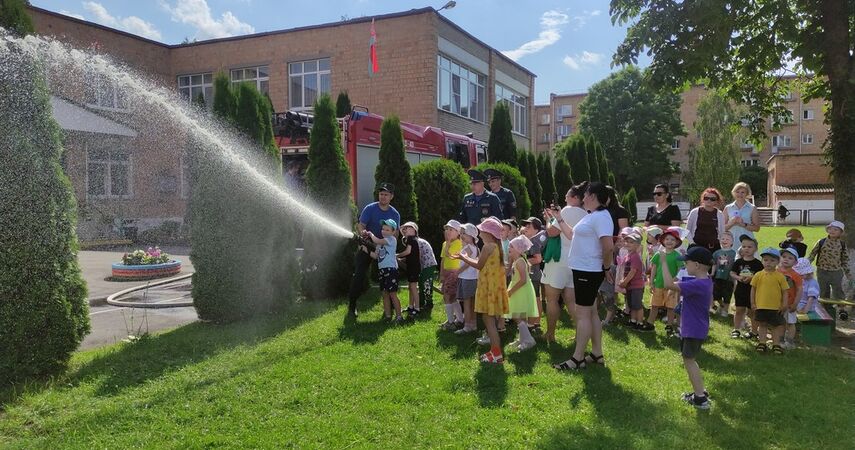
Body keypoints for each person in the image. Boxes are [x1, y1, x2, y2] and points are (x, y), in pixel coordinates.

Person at [553, 182, 614, 371]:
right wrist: (559, 218)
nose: (583, 198)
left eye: (586, 195)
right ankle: (596, 353)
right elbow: (571, 235)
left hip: (589, 271)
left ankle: (577, 358)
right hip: (585, 270)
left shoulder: (601, 217)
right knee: (592, 312)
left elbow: (608, 246)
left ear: (593, 196)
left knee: (582, 315)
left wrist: (606, 268)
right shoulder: (592, 216)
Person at [660, 245, 714, 410]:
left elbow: (669, 284)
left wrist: (663, 262)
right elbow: (678, 282)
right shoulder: (703, 281)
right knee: (691, 360)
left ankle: (699, 398)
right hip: (696, 328)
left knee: (689, 361)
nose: (685, 266)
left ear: (697, 265)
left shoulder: (697, 285)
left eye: (687, 263)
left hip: (693, 329)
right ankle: (700, 391)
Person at [451, 217, 509, 364]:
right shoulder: (496, 246)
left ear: (488, 233)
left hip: (488, 287)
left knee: (489, 322)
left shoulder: (487, 247)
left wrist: (463, 257)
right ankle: (494, 351)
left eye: (482, 230)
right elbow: (483, 263)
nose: (480, 232)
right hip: (493, 287)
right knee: (489, 321)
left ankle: (497, 354)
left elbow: (479, 265)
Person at [541, 185, 588, 342]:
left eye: (567, 196)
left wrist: (548, 220)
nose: (565, 199)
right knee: (571, 300)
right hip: (575, 260)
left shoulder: (567, 210)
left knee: (552, 299)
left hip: (558, 259)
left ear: (575, 198)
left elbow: (552, 231)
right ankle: (580, 334)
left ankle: (550, 334)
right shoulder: (585, 213)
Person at [348, 182, 401, 317]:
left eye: (386, 195)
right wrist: (363, 234)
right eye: (381, 194)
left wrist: (389, 248)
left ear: (391, 197)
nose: (383, 197)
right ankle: (352, 306)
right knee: (359, 275)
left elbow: (395, 235)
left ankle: (390, 310)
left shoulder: (395, 214)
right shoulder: (370, 208)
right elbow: (360, 225)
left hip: (385, 248)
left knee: (388, 279)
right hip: (368, 244)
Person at [641, 228, 684, 335]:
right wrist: (651, 282)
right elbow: (654, 269)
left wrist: (673, 282)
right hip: (658, 284)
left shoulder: (677, 256)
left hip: (671, 287)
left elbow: (679, 271)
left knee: (670, 307)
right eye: (667, 239)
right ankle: (650, 323)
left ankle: (669, 325)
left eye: (672, 240)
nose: (669, 241)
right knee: (654, 305)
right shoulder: (658, 254)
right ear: (663, 241)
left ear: (677, 242)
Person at [362, 219, 404, 324]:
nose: (384, 231)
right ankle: (388, 316)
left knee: (392, 294)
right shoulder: (380, 244)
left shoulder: (391, 240)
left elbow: (377, 240)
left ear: (393, 232)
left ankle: (399, 317)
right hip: (382, 271)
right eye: (383, 229)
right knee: (385, 294)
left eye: (387, 230)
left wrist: (370, 234)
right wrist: (365, 249)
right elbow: (376, 256)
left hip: (391, 270)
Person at [750, 248, 790, 354]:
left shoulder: (780, 276)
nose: (768, 263)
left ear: (777, 262)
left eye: (772, 260)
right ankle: (762, 343)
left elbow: (785, 291)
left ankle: (776, 344)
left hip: (775, 307)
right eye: (766, 260)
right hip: (761, 305)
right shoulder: (758, 275)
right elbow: (753, 289)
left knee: (775, 326)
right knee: (762, 325)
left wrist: (784, 304)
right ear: (762, 261)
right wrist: (753, 303)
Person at [808, 221, 851, 316]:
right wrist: (807, 265)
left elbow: (845, 259)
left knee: (838, 290)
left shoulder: (842, 244)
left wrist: (848, 274)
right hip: (822, 270)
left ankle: (841, 309)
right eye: (830, 229)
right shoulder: (821, 242)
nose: (832, 231)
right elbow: (812, 254)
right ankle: (825, 309)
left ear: (840, 233)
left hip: (836, 272)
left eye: (836, 230)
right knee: (823, 291)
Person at [504, 235, 539, 352]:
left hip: (520, 290)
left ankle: (528, 340)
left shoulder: (519, 261)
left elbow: (523, 279)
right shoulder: (518, 260)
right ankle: (523, 338)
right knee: (521, 317)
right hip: (521, 289)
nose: (509, 247)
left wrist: (511, 290)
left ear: (518, 249)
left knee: (516, 316)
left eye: (511, 246)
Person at [730, 235, 763, 339]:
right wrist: (738, 277)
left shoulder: (758, 263)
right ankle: (736, 329)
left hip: (752, 292)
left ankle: (754, 331)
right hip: (740, 290)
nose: (746, 249)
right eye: (744, 247)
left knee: (752, 312)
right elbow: (732, 272)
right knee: (739, 310)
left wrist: (751, 278)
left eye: (749, 247)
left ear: (755, 249)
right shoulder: (738, 262)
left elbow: (761, 275)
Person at [519, 217, 546, 332]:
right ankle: (531, 322)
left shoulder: (534, 242)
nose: (525, 228)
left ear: (536, 230)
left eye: (529, 226)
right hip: (529, 273)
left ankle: (536, 322)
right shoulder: (526, 241)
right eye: (525, 226)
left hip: (533, 274)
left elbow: (538, 259)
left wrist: (523, 263)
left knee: (536, 298)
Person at [454, 224, 480, 334]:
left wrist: (458, 271)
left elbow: (467, 263)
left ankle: (468, 325)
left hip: (467, 278)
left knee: (467, 302)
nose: (462, 235)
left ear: (471, 236)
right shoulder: (472, 247)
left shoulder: (469, 248)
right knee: (470, 302)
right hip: (470, 277)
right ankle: (472, 323)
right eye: (461, 233)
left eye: (464, 233)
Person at [439, 220, 464, 330]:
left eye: (451, 230)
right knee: (450, 297)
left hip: (454, 273)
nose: (448, 232)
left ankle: (451, 322)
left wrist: (448, 242)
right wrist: (441, 273)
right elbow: (443, 259)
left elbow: (449, 254)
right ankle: (458, 319)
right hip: (446, 272)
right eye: (447, 229)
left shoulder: (459, 243)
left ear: (458, 232)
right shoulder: (445, 244)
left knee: (448, 296)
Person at [619, 232, 646, 329]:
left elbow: (633, 271)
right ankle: (633, 320)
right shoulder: (628, 255)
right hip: (630, 285)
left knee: (637, 305)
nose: (628, 244)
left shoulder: (635, 256)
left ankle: (640, 322)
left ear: (638, 245)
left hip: (636, 285)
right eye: (626, 241)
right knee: (632, 304)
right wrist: (623, 280)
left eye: (631, 242)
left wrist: (625, 282)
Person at [777, 247, 803, 349]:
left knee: (790, 323)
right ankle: (780, 340)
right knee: (780, 323)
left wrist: (795, 304)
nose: (786, 259)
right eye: (783, 257)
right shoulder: (776, 272)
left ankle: (790, 341)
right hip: (778, 304)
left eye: (790, 258)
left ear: (795, 262)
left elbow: (800, 290)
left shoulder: (795, 275)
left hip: (790, 303)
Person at [398, 222, 422, 317]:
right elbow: (411, 255)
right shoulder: (411, 239)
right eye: (405, 228)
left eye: (408, 228)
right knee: (410, 287)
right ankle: (411, 306)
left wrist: (397, 255)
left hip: (414, 268)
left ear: (414, 230)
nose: (405, 229)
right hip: (412, 267)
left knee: (413, 287)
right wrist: (402, 228)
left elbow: (407, 252)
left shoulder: (411, 239)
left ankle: (417, 308)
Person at [711, 232, 737, 318]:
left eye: (727, 239)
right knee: (716, 294)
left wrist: (735, 276)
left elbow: (736, 266)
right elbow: (714, 263)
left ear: (732, 242)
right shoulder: (716, 253)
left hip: (728, 278)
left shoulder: (734, 253)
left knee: (727, 295)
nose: (724, 241)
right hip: (718, 276)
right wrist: (712, 273)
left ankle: (725, 310)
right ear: (719, 241)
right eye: (723, 239)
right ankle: (721, 305)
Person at [413, 224, 438, 309]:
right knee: (421, 283)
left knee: (427, 284)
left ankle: (429, 303)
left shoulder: (417, 242)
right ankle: (421, 303)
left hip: (428, 265)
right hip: (424, 265)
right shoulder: (416, 241)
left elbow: (417, 255)